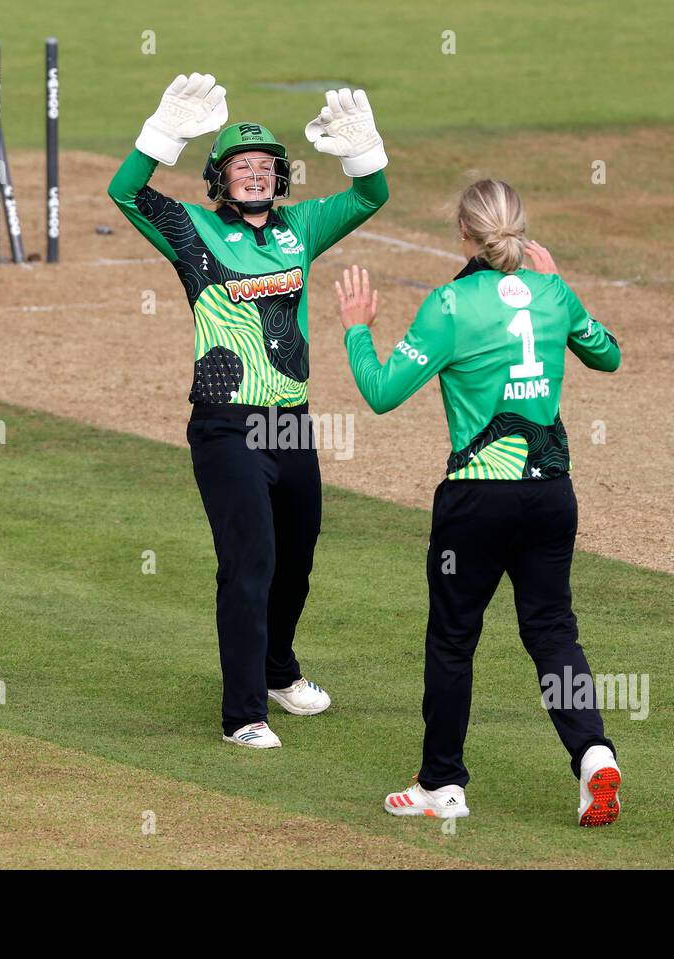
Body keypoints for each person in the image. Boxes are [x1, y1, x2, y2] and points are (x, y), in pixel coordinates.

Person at [107, 74, 390, 749]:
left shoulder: (302, 228)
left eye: (266, 167)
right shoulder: (193, 231)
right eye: (242, 167)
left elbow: (372, 195)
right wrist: (163, 131)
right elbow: (125, 191)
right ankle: (243, 713)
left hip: (290, 421)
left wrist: (363, 150)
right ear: (221, 179)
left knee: (297, 558)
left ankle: (278, 671)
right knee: (250, 560)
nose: (256, 176)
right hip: (225, 423)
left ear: (280, 177)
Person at [332, 179, 624, 825]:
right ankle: (594, 754)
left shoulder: (449, 304)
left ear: (463, 233)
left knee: (454, 639)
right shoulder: (552, 293)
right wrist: (562, 287)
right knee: (552, 631)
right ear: (521, 229)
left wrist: (356, 331)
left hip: (477, 500)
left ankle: (442, 784)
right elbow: (608, 354)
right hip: (551, 493)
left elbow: (381, 391)